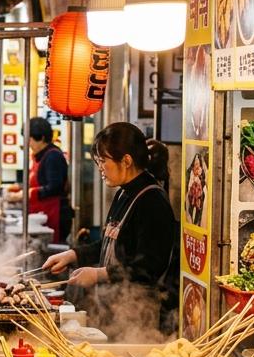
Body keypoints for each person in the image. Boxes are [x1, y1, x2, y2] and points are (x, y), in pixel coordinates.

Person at [42, 123, 178, 334]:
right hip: (112, 307)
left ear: (126, 161)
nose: (100, 168)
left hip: (137, 316)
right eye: (97, 161)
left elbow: (149, 266)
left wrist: (99, 274)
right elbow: (111, 243)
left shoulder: (152, 201)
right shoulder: (124, 192)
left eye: (103, 161)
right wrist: (73, 254)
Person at [27, 117, 72, 243]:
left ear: (41, 138)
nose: (28, 143)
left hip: (54, 215)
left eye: (29, 139)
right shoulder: (39, 156)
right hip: (42, 215)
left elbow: (55, 187)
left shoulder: (53, 156)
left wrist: (29, 193)